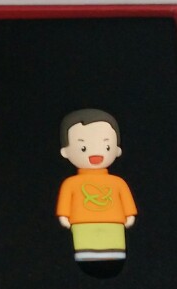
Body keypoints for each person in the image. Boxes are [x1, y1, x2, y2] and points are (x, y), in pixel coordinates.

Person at [56, 109, 137, 262]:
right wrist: (64, 215)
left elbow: (126, 199)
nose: (95, 155)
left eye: (107, 147)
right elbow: (65, 200)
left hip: (113, 221)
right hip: (82, 221)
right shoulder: (71, 183)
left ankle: (114, 256)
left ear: (117, 150)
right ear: (65, 151)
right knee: (85, 247)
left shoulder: (118, 182)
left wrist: (129, 214)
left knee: (114, 246)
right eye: (83, 148)